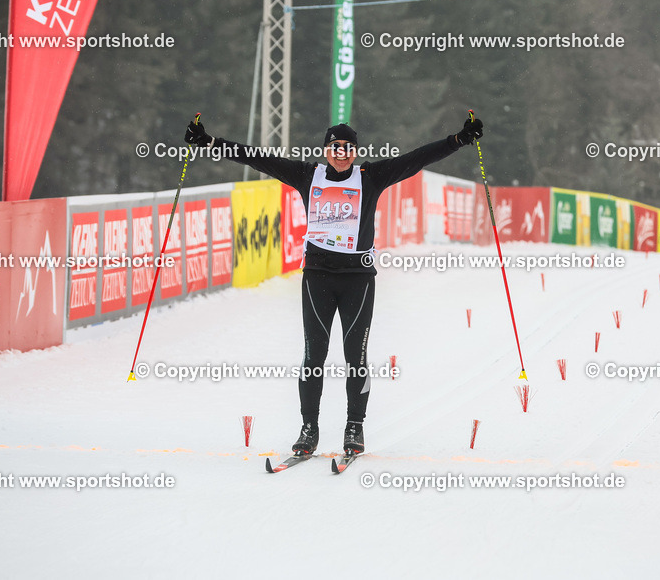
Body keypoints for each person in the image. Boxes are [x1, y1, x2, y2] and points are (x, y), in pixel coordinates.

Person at [184, 116, 484, 455]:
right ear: (326, 149)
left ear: (355, 151)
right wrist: (210, 142)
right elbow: (258, 158)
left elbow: (415, 159)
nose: (341, 154)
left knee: (356, 356)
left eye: (347, 149)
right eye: (334, 148)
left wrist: (457, 140)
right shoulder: (307, 176)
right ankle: (308, 427)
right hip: (318, 277)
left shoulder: (371, 177)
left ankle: (354, 426)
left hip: (358, 279)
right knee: (314, 355)